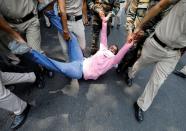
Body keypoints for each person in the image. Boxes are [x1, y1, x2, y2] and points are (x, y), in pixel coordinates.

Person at [125, 0, 185, 122]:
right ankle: (130, 74)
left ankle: (141, 105)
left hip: (174, 54)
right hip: (156, 43)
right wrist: (139, 26)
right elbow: (161, 5)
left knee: (157, 82)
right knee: (140, 63)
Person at [116, 0, 173, 74]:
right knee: (129, 51)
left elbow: (162, 23)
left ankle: (130, 74)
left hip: (149, 36)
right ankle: (121, 65)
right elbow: (131, 13)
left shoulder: (165, 3)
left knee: (139, 57)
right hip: (134, 32)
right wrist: (129, 31)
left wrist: (146, 33)